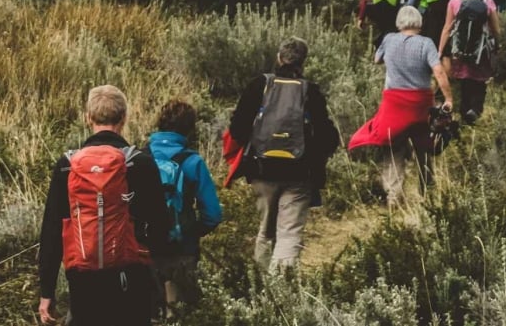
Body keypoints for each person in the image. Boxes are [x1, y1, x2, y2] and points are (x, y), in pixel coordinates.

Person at [39, 85, 166, 326]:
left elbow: (52, 232)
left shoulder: (67, 166)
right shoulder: (141, 163)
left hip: (83, 280)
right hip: (131, 277)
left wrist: (47, 291)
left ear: (88, 118)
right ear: (124, 118)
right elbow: (161, 226)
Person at [227, 37, 340, 272]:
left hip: (261, 170)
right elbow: (327, 137)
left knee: (266, 231)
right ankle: (282, 292)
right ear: (303, 63)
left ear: (279, 58)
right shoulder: (311, 91)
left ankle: (260, 288)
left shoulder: (259, 85)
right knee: (289, 234)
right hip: (299, 173)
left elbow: (237, 129)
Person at [348, 6, 454, 206]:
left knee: (393, 145)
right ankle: (427, 193)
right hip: (421, 104)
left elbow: (377, 59)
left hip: (394, 104)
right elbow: (439, 72)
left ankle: (393, 196)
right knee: (424, 145)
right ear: (419, 24)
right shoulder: (426, 43)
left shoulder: (389, 39)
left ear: (399, 23)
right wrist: (448, 99)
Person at [146, 99, 224, 319]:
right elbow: (213, 214)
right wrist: (192, 231)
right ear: (189, 129)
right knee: (181, 311)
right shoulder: (193, 162)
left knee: (148, 311)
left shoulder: (140, 157)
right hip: (183, 247)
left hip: (146, 247)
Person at [438, 0, 501, 125]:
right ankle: (476, 110)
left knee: (465, 81)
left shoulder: (454, 1)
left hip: (460, 51)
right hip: (481, 51)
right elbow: (495, 29)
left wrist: (440, 51)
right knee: (479, 82)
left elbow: (447, 28)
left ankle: (465, 114)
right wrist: (497, 45)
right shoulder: (487, 1)